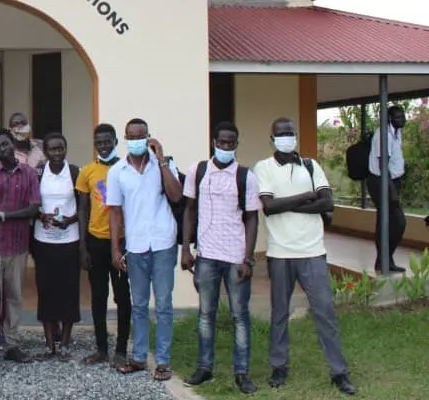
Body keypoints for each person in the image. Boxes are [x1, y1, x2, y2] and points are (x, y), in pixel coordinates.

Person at [253, 117, 356, 395]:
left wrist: (290, 203)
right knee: (279, 313)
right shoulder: (264, 168)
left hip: (312, 251)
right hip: (280, 252)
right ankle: (279, 366)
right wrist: (307, 197)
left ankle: (339, 372)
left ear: (295, 136)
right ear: (272, 138)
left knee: (325, 312)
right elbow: (269, 207)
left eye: (290, 133)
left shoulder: (311, 165)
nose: (286, 137)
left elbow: (327, 202)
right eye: (280, 133)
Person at [180, 122, 260, 394]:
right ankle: (205, 368)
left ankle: (242, 373)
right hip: (206, 257)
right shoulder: (198, 171)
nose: (226, 147)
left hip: (236, 258)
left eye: (231, 143)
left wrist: (247, 259)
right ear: (214, 142)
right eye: (222, 142)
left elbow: (251, 218)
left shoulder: (246, 176)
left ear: (237, 144)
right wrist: (185, 249)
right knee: (205, 315)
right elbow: (189, 210)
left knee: (240, 315)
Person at [106, 118, 182, 382]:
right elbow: (115, 213)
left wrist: (160, 160)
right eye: (131, 136)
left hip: (163, 242)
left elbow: (176, 195)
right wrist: (115, 250)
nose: (136, 140)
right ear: (125, 138)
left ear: (149, 137)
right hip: (136, 245)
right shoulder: (117, 172)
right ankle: (138, 357)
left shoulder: (164, 164)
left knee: (163, 304)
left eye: (141, 136)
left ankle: (162, 361)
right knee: (138, 304)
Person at [0, 128, 41, 370]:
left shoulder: (30, 174)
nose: (2, 149)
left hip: (19, 246)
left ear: (12, 144)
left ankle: (11, 345)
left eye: (5, 144)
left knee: (14, 297)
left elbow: (33, 208)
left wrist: (2, 215)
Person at [76, 123, 131, 367]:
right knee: (98, 297)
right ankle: (101, 349)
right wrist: (82, 246)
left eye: (108, 141)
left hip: (123, 241)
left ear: (116, 141)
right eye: (99, 142)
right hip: (95, 241)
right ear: (95, 144)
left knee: (122, 297)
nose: (104, 146)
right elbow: (82, 209)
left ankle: (120, 349)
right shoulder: (87, 171)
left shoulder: (126, 168)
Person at [33, 133, 81, 360]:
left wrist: (69, 221)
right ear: (45, 151)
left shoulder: (74, 172)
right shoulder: (38, 173)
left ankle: (65, 344)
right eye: (52, 149)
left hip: (69, 240)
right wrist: (42, 216)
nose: (56, 153)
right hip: (43, 241)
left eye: (60, 148)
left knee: (69, 290)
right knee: (46, 290)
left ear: (66, 149)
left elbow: (83, 207)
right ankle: (49, 343)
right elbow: (30, 204)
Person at [366, 105, 408, 272]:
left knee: (386, 222)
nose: (403, 119)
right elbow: (383, 165)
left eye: (403, 116)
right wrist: (392, 193)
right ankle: (385, 258)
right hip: (381, 181)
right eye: (399, 117)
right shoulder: (384, 135)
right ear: (390, 119)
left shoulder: (396, 132)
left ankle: (384, 261)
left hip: (391, 181)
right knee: (398, 222)